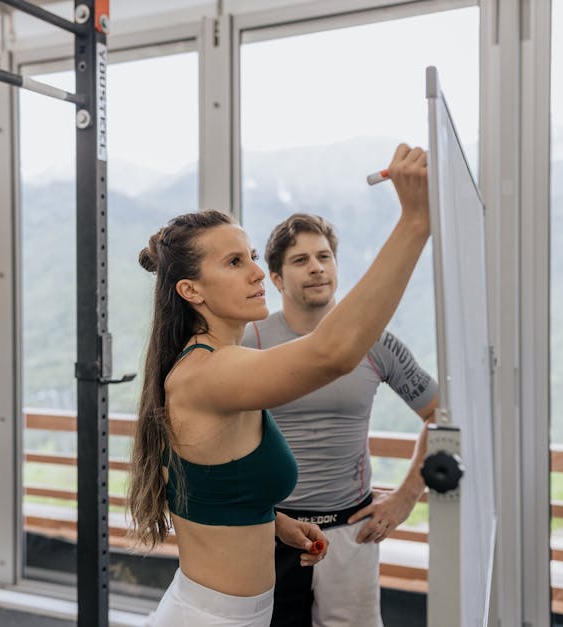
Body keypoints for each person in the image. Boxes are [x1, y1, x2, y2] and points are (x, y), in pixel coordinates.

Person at [127, 144, 430, 626]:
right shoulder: (209, 373)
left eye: (249, 256)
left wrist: (276, 523)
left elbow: (210, 489)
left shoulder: (223, 363)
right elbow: (332, 352)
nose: (254, 272)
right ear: (191, 290)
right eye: (233, 263)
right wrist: (415, 223)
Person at [242, 213, 438, 627]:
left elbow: (440, 415)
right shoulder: (250, 342)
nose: (316, 267)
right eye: (300, 260)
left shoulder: (376, 342)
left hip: (350, 529)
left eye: (324, 257)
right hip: (271, 528)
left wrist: (405, 498)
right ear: (276, 278)